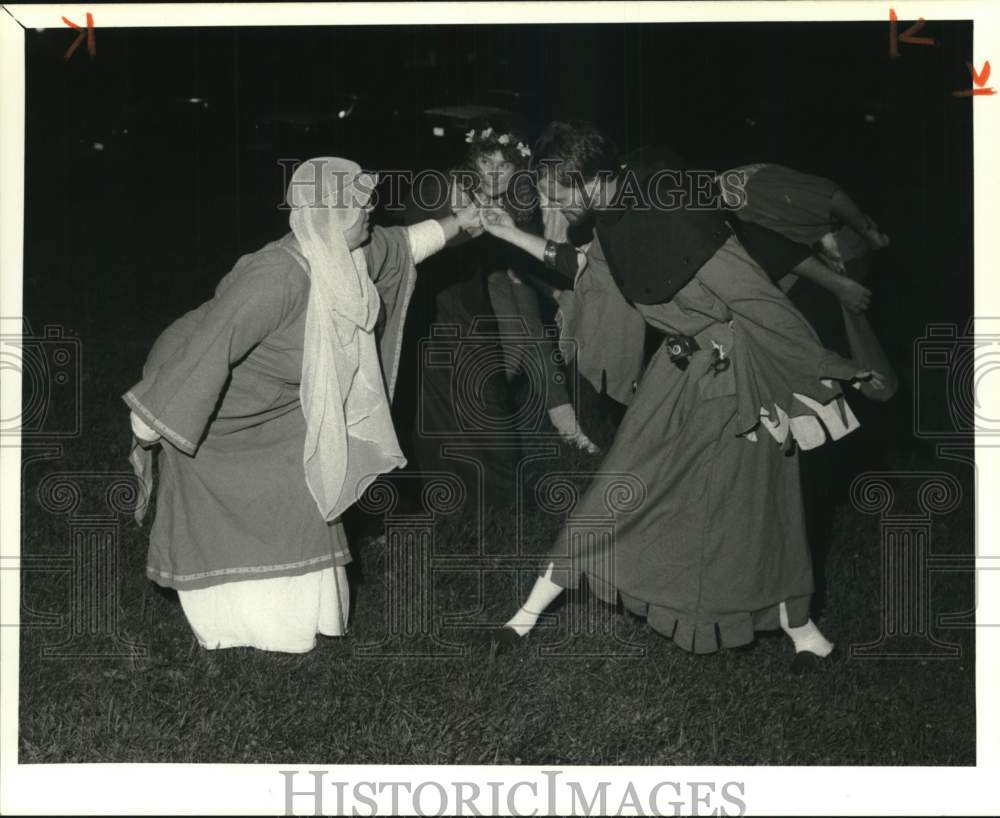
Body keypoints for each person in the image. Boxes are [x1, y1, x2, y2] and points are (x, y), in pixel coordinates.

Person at [480, 123, 883, 668]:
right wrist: (506, 233)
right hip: (679, 372)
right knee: (620, 486)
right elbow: (585, 271)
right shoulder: (613, 217)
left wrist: (822, 370)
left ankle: (802, 629)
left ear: (590, 180)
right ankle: (525, 616)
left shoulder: (678, 218)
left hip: (740, 376)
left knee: (761, 507)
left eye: (555, 189)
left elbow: (759, 299)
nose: (547, 200)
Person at [123, 156, 479, 653]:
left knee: (314, 489)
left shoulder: (347, 251)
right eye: (359, 206)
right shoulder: (276, 277)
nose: (370, 213)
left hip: (283, 406)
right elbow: (207, 350)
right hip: (220, 412)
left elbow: (406, 246)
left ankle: (300, 623)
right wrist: (147, 429)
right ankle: (233, 627)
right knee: (245, 502)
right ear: (327, 214)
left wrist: (465, 221)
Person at [401, 125, 596, 522]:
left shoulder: (502, 202)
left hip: (470, 307)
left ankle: (497, 505)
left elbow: (515, 258)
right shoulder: (438, 189)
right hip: (433, 311)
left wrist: (557, 288)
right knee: (447, 410)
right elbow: (409, 249)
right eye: (485, 162)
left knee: (488, 398)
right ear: (471, 161)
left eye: (503, 167)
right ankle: (459, 506)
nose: (493, 173)